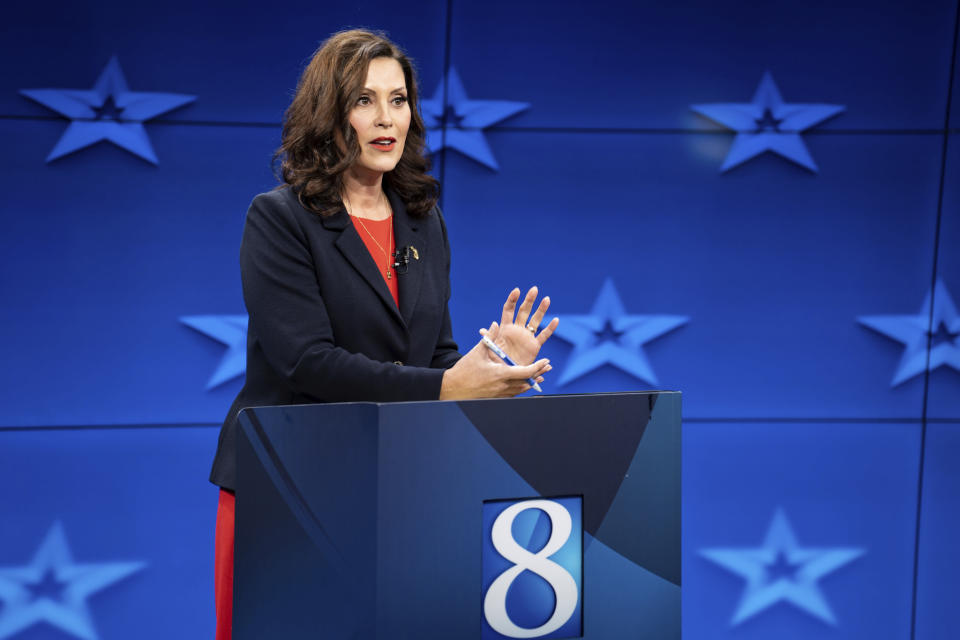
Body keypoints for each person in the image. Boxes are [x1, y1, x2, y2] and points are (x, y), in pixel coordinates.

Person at [208, 29, 559, 640]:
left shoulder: (422, 220)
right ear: (329, 113)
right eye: (365, 101)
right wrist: (448, 387)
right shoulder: (280, 218)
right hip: (290, 485)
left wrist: (492, 365)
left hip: (395, 488)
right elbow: (306, 362)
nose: (386, 118)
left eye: (399, 100)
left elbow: (436, 355)